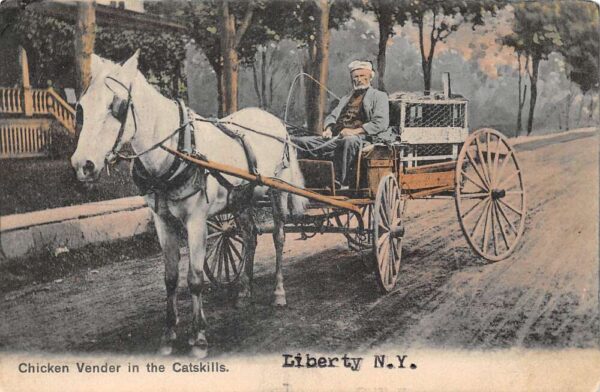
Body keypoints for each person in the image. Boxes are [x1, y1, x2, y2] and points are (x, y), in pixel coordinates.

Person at [292, 60, 391, 187]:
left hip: (363, 138)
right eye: (355, 77)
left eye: (362, 76)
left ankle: (340, 182)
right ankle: (305, 180)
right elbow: (332, 116)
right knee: (301, 142)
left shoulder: (379, 96)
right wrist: (328, 129)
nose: (359, 79)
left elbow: (380, 123)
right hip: (336, 137)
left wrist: (354, 131)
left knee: (349, 141)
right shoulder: (346, 98)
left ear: (370, 77)